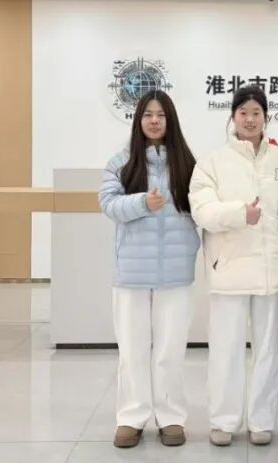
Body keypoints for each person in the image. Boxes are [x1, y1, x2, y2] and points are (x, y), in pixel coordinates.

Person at [189, 85, 278, 447]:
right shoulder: (212, 162)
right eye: (243, 112)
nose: (250, 119)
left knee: (268, 350)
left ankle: (262, 420)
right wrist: (239, 213)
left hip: (271, 270)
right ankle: (223, 421)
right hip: (229, 270)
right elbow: (202, 210)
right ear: (233, 117)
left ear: (266, 117)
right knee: (226, 350)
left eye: (256, 113)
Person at [98, 90, 199, 449]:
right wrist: (143, 202)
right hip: (131, 275)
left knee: (170, 350)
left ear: (170, 120)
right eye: (148, 115)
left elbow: (202, 207)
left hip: (176, 273)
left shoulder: (188, 163)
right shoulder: (121, 162)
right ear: (138, 120)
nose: (154, 121)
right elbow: (108, 204)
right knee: (133, 350)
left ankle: (171, 417)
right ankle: (131, 417)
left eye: (161, 115)